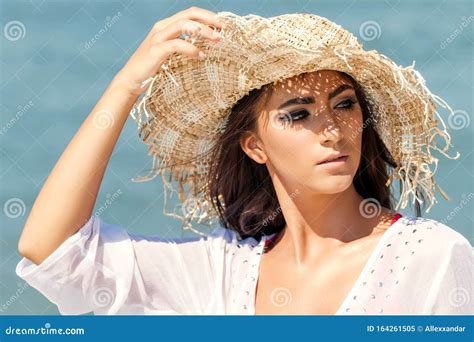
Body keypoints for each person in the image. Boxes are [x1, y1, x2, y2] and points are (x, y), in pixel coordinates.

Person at [16, 7, 473, 315]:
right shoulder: (222, 270)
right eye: (299, 114)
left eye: (345, 104)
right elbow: (54, 251)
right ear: (254, 146)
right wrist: (126, 83)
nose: (332, 129)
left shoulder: (429, 256)